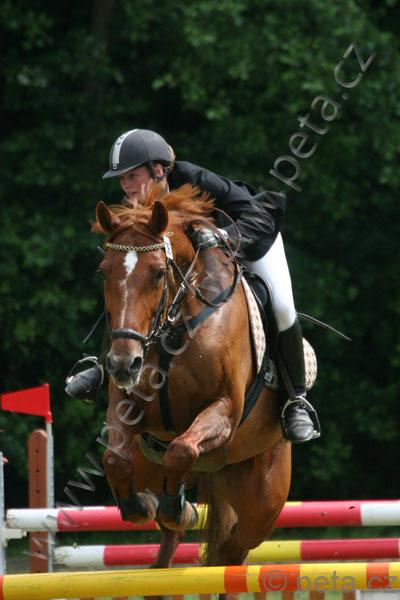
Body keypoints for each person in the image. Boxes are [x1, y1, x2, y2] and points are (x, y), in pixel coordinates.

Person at [66, 129, 320, 443]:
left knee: (280, 306)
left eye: (132, 176)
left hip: (254, 237)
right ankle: (103, 367)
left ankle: (296, 400)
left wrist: (224, 235)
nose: (126, 186)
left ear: (159, 170)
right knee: (129, 287)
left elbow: (262, 214)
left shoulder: (193, 180)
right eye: (122, 179)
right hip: (199, 266)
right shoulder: (135, 205)